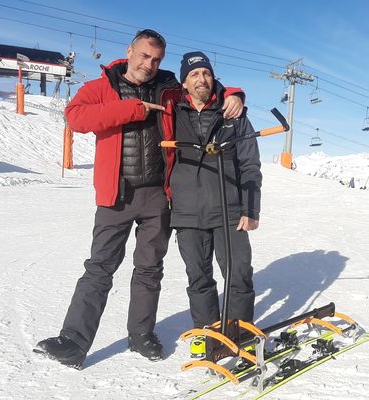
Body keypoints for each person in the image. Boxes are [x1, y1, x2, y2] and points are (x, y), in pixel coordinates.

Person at [33, 30, 244, 369]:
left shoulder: (170, 88)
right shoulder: (105, 85)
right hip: (116, 194)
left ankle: (141, 334)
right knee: (100, 268)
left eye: (156, 59)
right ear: (130, 51)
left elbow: (203, 89)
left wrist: (235, 93)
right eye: (145, 56)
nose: (150, 64)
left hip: (156, 196)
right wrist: (130, 109)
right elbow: (76, 117)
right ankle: (73, 340)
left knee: (149, 269)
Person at [167, 52, 261, 340]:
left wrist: (251, 208)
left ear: (214, 78)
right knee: (198, 278)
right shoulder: (171, 112)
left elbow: (249, 163)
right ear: (184, 82)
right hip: (187, 211)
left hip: (229, 208)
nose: (201, 79)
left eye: (206, 73)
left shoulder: (234, 114)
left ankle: (239, 334)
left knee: (239, 273)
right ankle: (210, 334)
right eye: (194, 74)